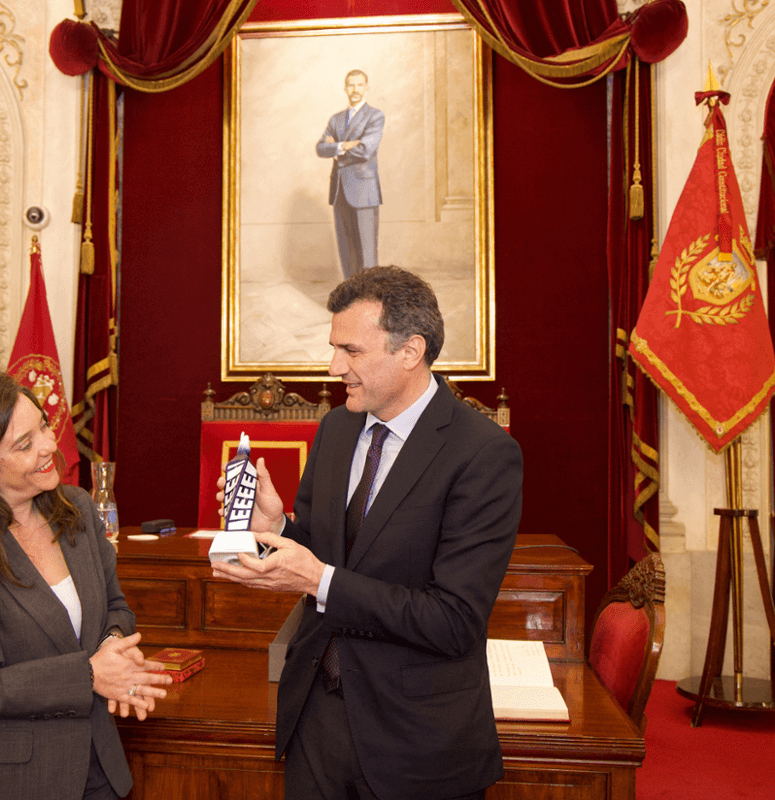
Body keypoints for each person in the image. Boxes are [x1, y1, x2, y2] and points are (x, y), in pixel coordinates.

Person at [212, 266, 523, 800]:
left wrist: (319, 581)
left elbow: (453, 620)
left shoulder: (483, 454)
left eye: (351, 352)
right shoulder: (337, 428)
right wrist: (277, 526)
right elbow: (328, 551)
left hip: (415, 740)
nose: (334, 367)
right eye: (335, 349)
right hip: (316, 721)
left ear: (410, 351)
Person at [0, 372, 171, 800]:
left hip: (98, 767)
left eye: (44, 426)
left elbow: (115, 608)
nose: (51, 445)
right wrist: (90, 674)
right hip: (4, 781)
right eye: (25, 444)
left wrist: (112, 648)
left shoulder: (79, 510)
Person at [316, 69, 385, 280]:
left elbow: (365, 150)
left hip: (364, 191)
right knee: (346, 252)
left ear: (367, 88)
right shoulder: (335, 119)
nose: (355, 90)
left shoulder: (375, 116)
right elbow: (320, 149)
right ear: (345, 88)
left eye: (360, 85)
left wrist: (335, 148)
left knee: (367, 254)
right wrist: (346, 145)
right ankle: (351, 301)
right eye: (351, 85)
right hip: (339, 191)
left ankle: (370, 301)